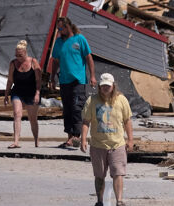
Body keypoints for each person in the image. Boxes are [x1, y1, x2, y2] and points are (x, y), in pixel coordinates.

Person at [80, 73, 133, 206]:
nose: (105, 88)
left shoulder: (121, 100)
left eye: (108, 86)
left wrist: (130, 140)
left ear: (113, 86)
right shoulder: (92, 101)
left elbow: (127, 121)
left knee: (118, 173)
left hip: (117, 144)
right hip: (98, 145)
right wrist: (83, 139)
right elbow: (86, 121)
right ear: (99, 86)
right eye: (103, 85)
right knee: (99, 176)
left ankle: (119, 200)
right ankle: (99, 200)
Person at [48, 17, 95, 149]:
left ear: (68, 26)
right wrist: (52, 78)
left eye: (61, 28)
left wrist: (92, 76)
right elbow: (55, 61)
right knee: (67, 109)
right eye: (58, 29)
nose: (60, 31)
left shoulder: (79, 39)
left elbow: (89, 57)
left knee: (77, 107)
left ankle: (77, 136)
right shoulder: (58, 43)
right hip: (64, 80)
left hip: (78, 80)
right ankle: (70, 137)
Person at [3, 39, 42, 148]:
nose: (18, 57)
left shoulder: (33, 62)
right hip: (17, 91)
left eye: (20, 55)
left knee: (32, 118)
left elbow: (39, 80)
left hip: (31, 92)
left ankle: (36, 140)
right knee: (17, 114)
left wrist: (37, 93)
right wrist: (6, 95)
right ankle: (16, 141)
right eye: (16, 55)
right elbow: (10, 80)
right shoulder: (13, 63)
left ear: (25, 53)